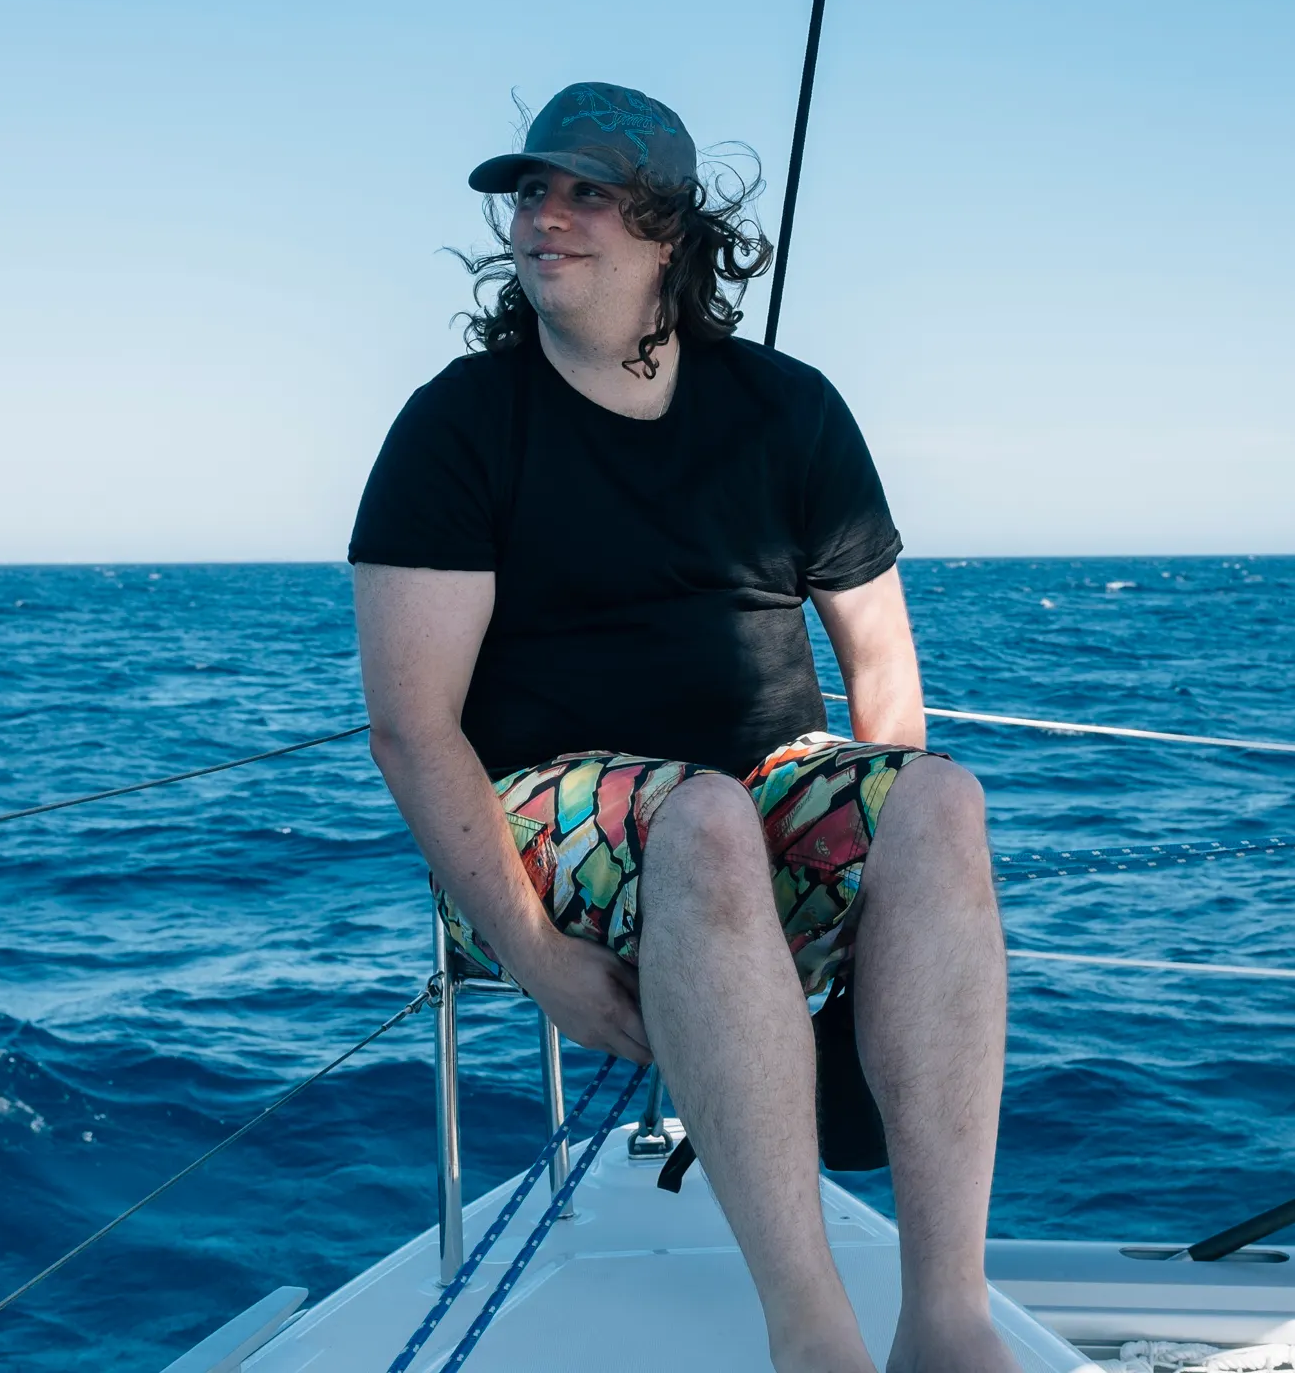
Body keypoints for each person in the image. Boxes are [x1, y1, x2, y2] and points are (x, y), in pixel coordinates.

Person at [350, 81, 1015, 1373]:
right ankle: (814, 1343)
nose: (543, 215)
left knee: (943, 798)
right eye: (529, 191)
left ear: (668, 232)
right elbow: (408, 728)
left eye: (583, 192)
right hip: (541, 832)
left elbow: (882, 669)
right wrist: (534, 955)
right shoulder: (458, 431)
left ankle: (948, 1322)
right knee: (703, 818)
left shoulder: (787, 413)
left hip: (749, 806)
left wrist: (871, 922)